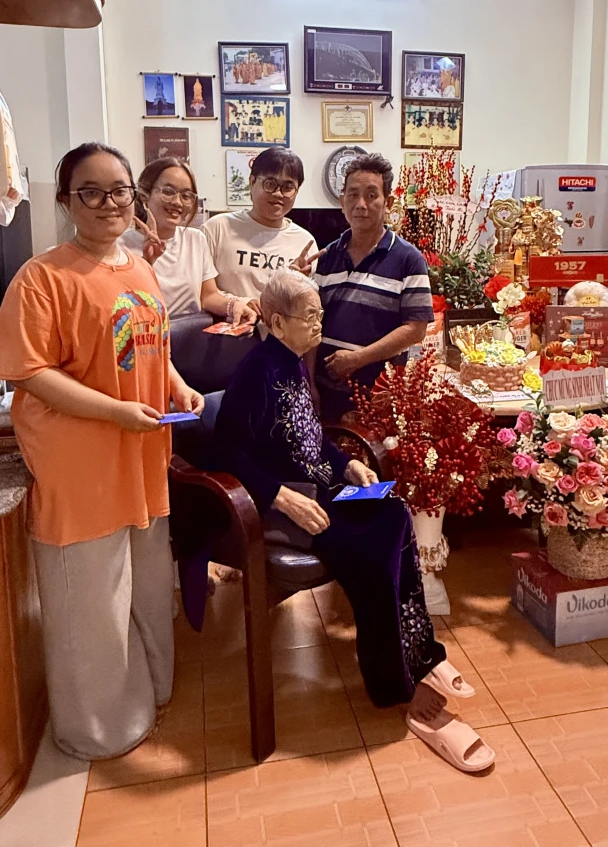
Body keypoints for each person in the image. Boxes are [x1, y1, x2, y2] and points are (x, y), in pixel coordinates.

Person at [213, 271, 495, 774]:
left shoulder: (294, 362)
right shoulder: (255, 371)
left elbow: (311, 434)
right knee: (371, 555)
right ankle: (396, 687)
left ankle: (419, 651)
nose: (320, 323)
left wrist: (346, 465)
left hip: (324, 488)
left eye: (320, 313)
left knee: (393, 512)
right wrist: (280, 497)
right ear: (277, 321)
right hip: (293, 501)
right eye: (311, 316)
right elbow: (229, 451)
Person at [0, 142, 205, 761]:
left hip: (141, 462)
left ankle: (151, 693)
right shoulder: (42, 278)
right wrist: (116, 412)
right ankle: (99, 728)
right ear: (67, 201)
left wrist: (178, 385)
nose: (109, 203)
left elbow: (152, 346)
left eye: (119, 190)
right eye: (91, 191)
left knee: (144, 587)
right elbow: (30, 373)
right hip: (81, 466)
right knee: (89, 605)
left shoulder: (138, 268)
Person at [313, 153, 435, 422]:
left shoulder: (409, 259)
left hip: (380, 400)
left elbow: (416, 329)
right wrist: (309, 383)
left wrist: (357, 359)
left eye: (371, 195)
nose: (360, 204)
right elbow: (311, 325)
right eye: (353, 195)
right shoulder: (327, 256)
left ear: (388, 203)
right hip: (325, 395)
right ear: (342, 201)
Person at [121, 157, 257, 324]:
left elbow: (208, 296)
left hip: (190, 334)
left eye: (186, 196)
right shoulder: (120, 245)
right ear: (145, 195)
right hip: (146, 335)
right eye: (168, 192)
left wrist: (233, 305)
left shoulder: (195, 239)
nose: (177, 202)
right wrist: (146, 263)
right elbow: (121, 304)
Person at [203, 147, 321, 310]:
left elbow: (305, 306)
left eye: (288, 187)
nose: (278, 194)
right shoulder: (217, 228)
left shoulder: (304, 242)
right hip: (227, 325)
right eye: (270, 184)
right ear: (252, 182)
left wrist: (297, 286)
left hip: (279, 327)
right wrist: (240, 303)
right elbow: (201, 292)